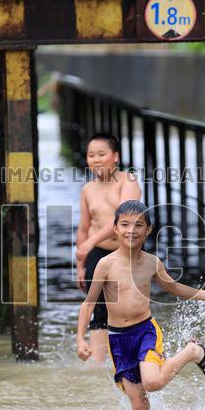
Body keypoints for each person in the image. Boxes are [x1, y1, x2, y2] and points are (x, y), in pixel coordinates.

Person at [76, 200, 205, 410]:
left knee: (153, 383)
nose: (131, 230)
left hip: (145, 332)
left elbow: (175, 288)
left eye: (139, 225)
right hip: (118, 339)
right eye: (125, 224)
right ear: (114, 228)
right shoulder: (105, 265)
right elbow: (89, 303)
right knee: (138, 406)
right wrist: (80, 339)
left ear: (148, 230)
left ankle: (192, 352)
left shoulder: (151, 263)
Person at [76, 132, 142, 365]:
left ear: (115, 157)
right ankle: (97, 365)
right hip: (97, 254)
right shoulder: (88, 189)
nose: (95, 159)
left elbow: (124, 217)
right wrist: (80, 264)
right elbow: (84, 229)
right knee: (99, 308)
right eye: (91, 155)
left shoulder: (128, 181)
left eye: (101, 154)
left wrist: (89, 242)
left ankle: (133, 358)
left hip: (126, 254)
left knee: (130, 305)